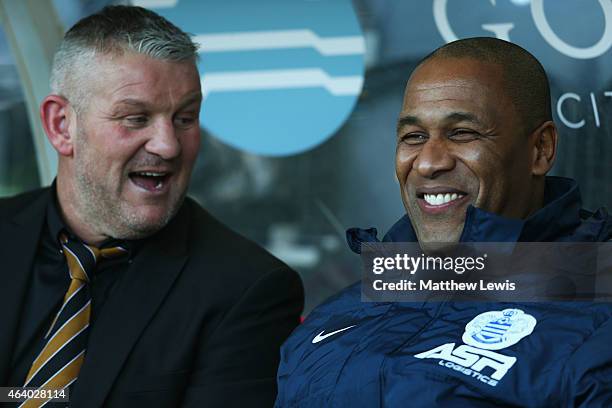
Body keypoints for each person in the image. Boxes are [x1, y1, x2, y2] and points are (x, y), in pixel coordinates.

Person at [275, 38, 612, 407]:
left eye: (462, 133)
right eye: (414, 137)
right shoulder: (344, 308)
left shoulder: (596, 314)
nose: (428, 162)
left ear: (541, 150)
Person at [0, 6, 303, 407]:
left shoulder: (247, 289)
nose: (168, 145)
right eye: (136, 118)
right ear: (61, 126)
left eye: (185, 118)